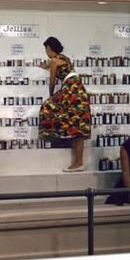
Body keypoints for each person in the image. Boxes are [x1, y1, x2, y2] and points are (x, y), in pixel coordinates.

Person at [38, 36, 91, 172]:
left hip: (72, 90)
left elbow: (52, 82)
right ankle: (78, 162)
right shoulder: (64, 58)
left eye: (46, 49)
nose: (46, 53)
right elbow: (49, 66)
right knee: (77, 124)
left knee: (48, 106)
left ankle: (78, 163)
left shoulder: (55, 61)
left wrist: (51, 95)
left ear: (49, 48)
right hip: (76, 89)